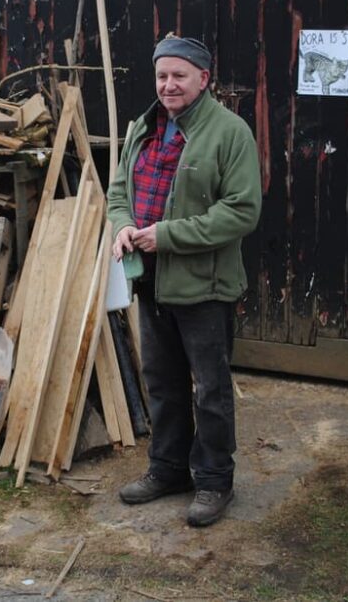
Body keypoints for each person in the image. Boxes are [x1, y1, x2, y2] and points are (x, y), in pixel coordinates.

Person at [106, 35, 262, 527]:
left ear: (203, 79)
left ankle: (215, 480)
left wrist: (167, 236)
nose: (168, 85)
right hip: (151, 281)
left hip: (204, 285)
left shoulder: (230, 132)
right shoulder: (143, 127)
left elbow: (241, 211)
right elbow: (117, 190)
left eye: (179, 75)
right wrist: (124, 225)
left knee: (209, 389)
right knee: (163, 383)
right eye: (162, 75)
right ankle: (168, 469)